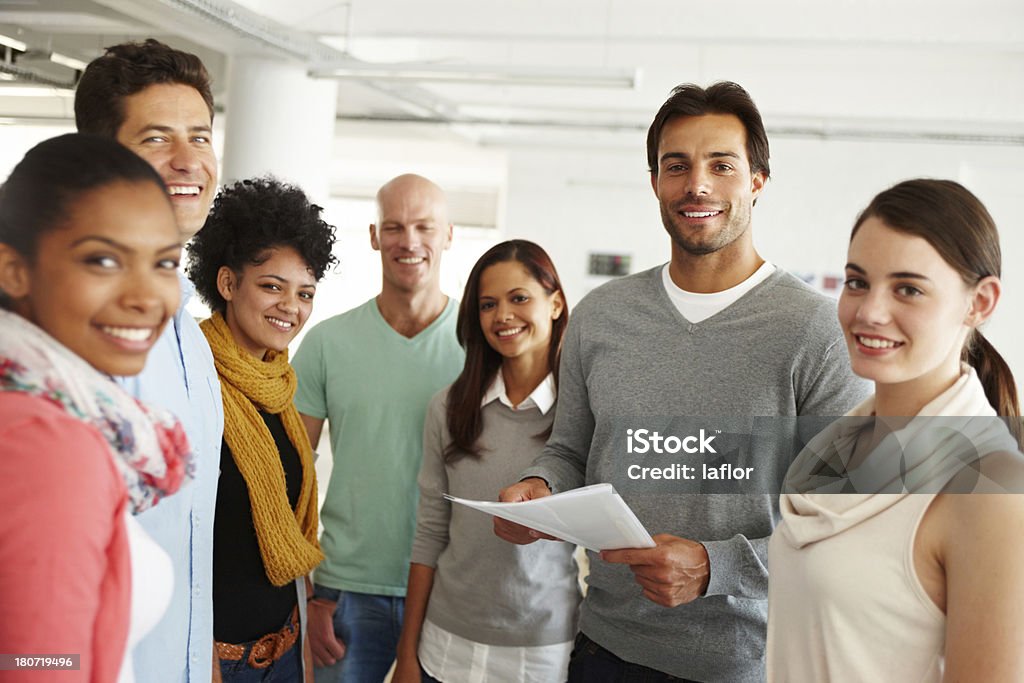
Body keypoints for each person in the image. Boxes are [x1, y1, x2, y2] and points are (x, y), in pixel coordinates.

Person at [495, 82, 870, 683]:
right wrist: (540, 488)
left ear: (757, 181)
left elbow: (845, 527)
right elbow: (571, 449)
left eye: (722, 165)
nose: (697, 185)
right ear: (655, 182)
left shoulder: (817, 332)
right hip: (604, 649)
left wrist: (715, 566)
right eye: (677, 166)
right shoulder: (602, 315)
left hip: (748, 662)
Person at [767, 179, 1024, 682]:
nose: (869, 312)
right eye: (858, 281)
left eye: (908, 288)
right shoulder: (835, 445)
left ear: (980, 303)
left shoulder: (990, 488)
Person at [0, 134, 191, 681]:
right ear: (14, 270)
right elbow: (35, 665)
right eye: (104, 260)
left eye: (164, 262)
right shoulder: (47, 444)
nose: (146, 297)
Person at [75, 38, 224, 683]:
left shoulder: (187, 331)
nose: (189, 159)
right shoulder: (65, 325)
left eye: (200, 135)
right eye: (157, 139)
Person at [293, 173, 464, 682]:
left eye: (423, 227)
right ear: (373, 236)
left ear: (448, 234)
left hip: (448, 586)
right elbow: (288, 480)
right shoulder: (326, 343)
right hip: (344, 590)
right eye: (394, 227)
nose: (408, 241)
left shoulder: (481, 346)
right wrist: (308, 594)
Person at [394, 240, 581, 683]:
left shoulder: (581, 412)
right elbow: (430, 533)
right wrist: (406, 653)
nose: (503, 316)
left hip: (542, 651)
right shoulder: (450, 408)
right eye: (488, 304)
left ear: (554, 304)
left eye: (519, 298)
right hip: (444, 644)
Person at [185, 177, 337, 681]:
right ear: (227, 283)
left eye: (305, 293)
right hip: (217, 660)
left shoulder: (281, 389)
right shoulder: (191, 382)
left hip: (287, 650)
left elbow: (288, 536)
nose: (290, 307)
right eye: (272, 286)